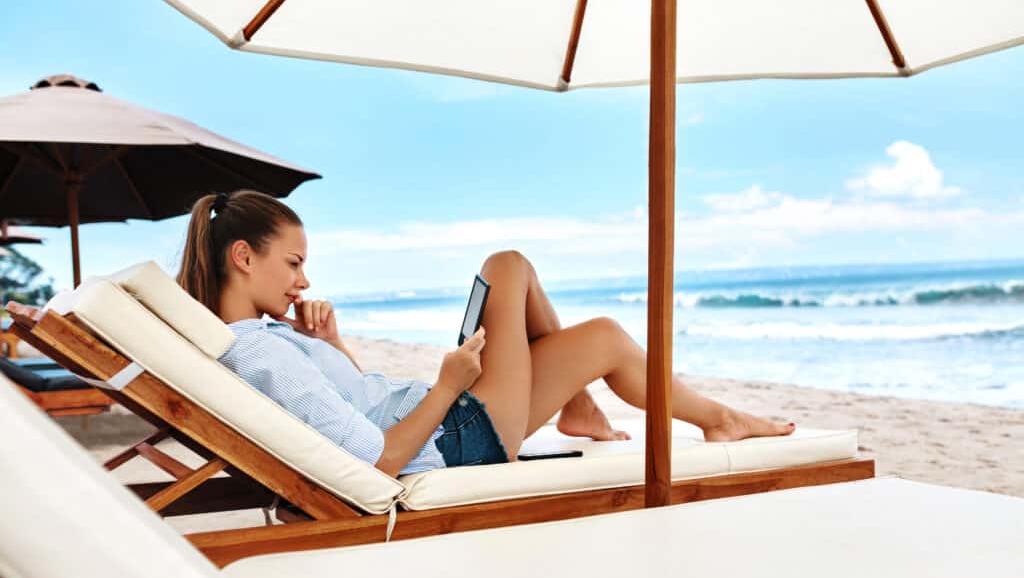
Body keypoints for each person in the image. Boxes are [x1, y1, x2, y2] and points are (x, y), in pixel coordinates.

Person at [177, 190, 795, 478]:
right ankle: (701, 417)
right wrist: (449, 386)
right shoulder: (261, 354)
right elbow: (378, 459)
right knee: (509, 267)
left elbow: (353, 402)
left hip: (450, 420)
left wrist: (330, 341)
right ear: (243, 257)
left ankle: (600, 409)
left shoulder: (264, 338)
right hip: (456, 439)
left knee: (599, 331)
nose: (303, 281)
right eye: (293, 263)